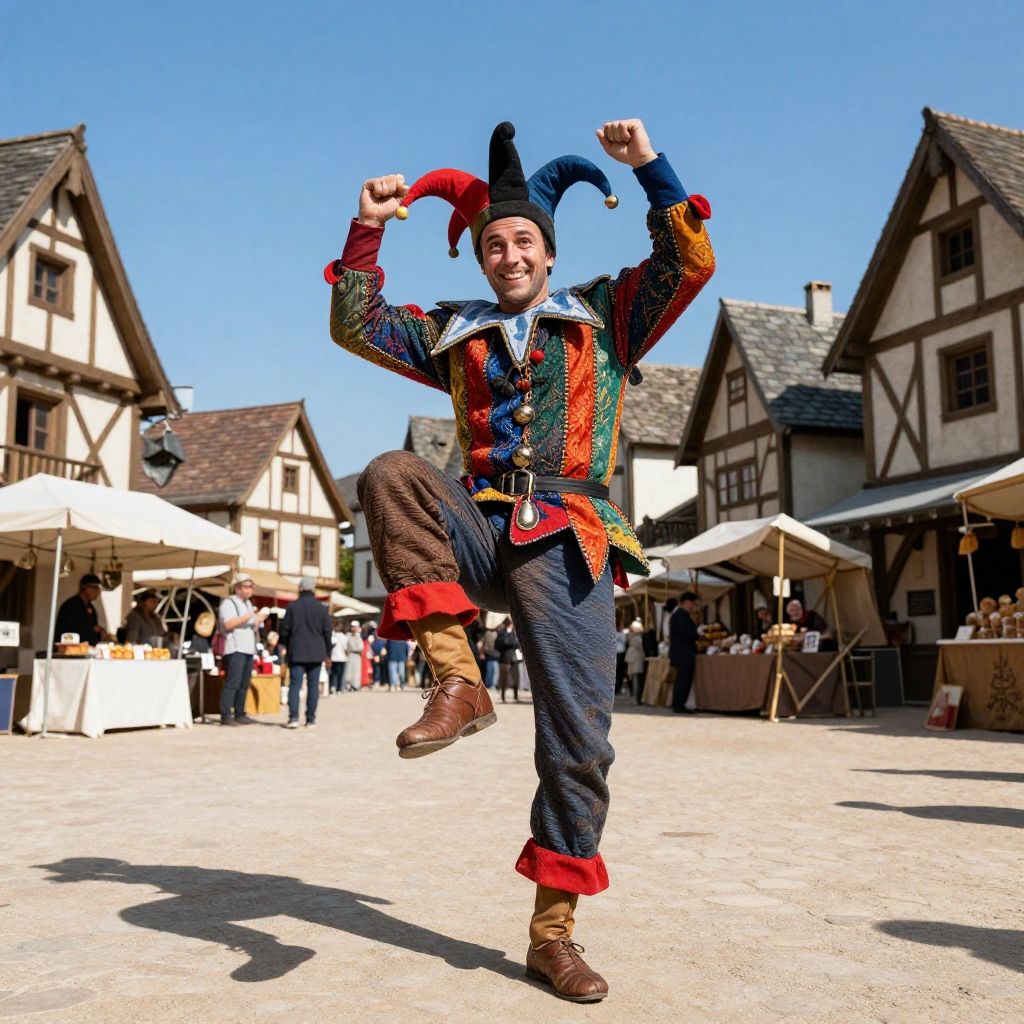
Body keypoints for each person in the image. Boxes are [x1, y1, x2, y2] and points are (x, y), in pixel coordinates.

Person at [325, 117, 713, 1001]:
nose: (509, 255)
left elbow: (688, 263)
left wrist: (648, 167)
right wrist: (368, 227)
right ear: (481, 257)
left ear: (548, 251)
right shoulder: (454, 333)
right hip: (478, 529)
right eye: (495, 244)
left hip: (568, 535)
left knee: (578, 740)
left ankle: (552, 937)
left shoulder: (606, 315)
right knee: (390, 473)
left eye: (523, 241)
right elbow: (358, 323)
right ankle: (458, 681)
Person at [280, 576, 333, 729]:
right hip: (316, 652)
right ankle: (310, 719)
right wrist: (328, 653)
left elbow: (284, 630)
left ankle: (293, 718)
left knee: (295, 685)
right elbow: (327, 633)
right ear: (313, 590)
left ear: (300, 589)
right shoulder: (321, 608)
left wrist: (284, 644)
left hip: (296, 651)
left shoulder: (292, 607)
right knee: (313, 687)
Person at [217, 573, 268, 726]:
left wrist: (258, 619)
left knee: (244, 684)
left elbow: (250, 624)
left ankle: (240, 713)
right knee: (232, 683)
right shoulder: (229, 603)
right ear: (237, 587)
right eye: (247, 586)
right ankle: (226, 715)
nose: (250, 590)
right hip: (235, 648)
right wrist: (248, 616)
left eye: (251, 587)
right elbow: (228, 624)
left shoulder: (247, 604)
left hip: (248, 649)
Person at [53, 573, 108, 647]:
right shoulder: (72, 606)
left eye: (98, 588)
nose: (98, 592)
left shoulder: (90, 607)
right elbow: (78, 630)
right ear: (84, 587)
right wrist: (93, 630)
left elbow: (93, 627)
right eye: (95, 587)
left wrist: (100, 631)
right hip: (69, 649)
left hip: (86, 649)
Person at [669, 592, 699, 714]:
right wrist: (697, 635)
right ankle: (679, 705)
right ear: (686, 602)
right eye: (692, 603)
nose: (693, 606)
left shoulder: (678, 615)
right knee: (684, 680)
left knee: (681, 679)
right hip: (683, 654)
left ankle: (678, 704)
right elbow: (689, 635)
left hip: (680, 653)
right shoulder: (681, 616)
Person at [495, 618, 521, 704]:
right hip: (504, 659)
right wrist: (508, 638)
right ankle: (503, 697)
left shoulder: (514, 633)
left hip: (513, 658)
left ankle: (516, 696)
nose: (510, 625)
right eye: (508, 624)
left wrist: (509, 641)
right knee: (504, 679)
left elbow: (516, 643)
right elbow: (501, 644)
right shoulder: (501, 633)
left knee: (516, 678)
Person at [623, 619, 646, 699]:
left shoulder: (630, 636)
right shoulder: (637, 638)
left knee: (632, 677)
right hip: (637, 657)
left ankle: (634, 695)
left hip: (631, 656)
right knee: (637, 677)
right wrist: (643, 656)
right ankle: (636, 696)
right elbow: (640, 648)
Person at [343, 620, 365, 691]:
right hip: (350, 655)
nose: (354, 628)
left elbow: (361, 647)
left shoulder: (358, 636)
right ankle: (348, 685)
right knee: (349, 671)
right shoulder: (347, 635)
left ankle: (355, 685)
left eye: (355, 627)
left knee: (356, 671)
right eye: (352, 627)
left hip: (357, 655)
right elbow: (346, 646)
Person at [329, 622, 348, 693]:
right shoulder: (343, 637)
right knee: (338, 674)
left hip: (337, 658)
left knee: (335, 674)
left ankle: (335, 687)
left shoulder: (333, 635)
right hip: (338, 658)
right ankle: (337, 688)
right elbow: (345, 648)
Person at [481, 623, 500, 690]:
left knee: (495, 671)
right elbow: (484, 644)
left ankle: (493, 684)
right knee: (490, 670)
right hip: (489, 655)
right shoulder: (487, 633)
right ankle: (489, 684)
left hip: (496, 655)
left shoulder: (498, 633)